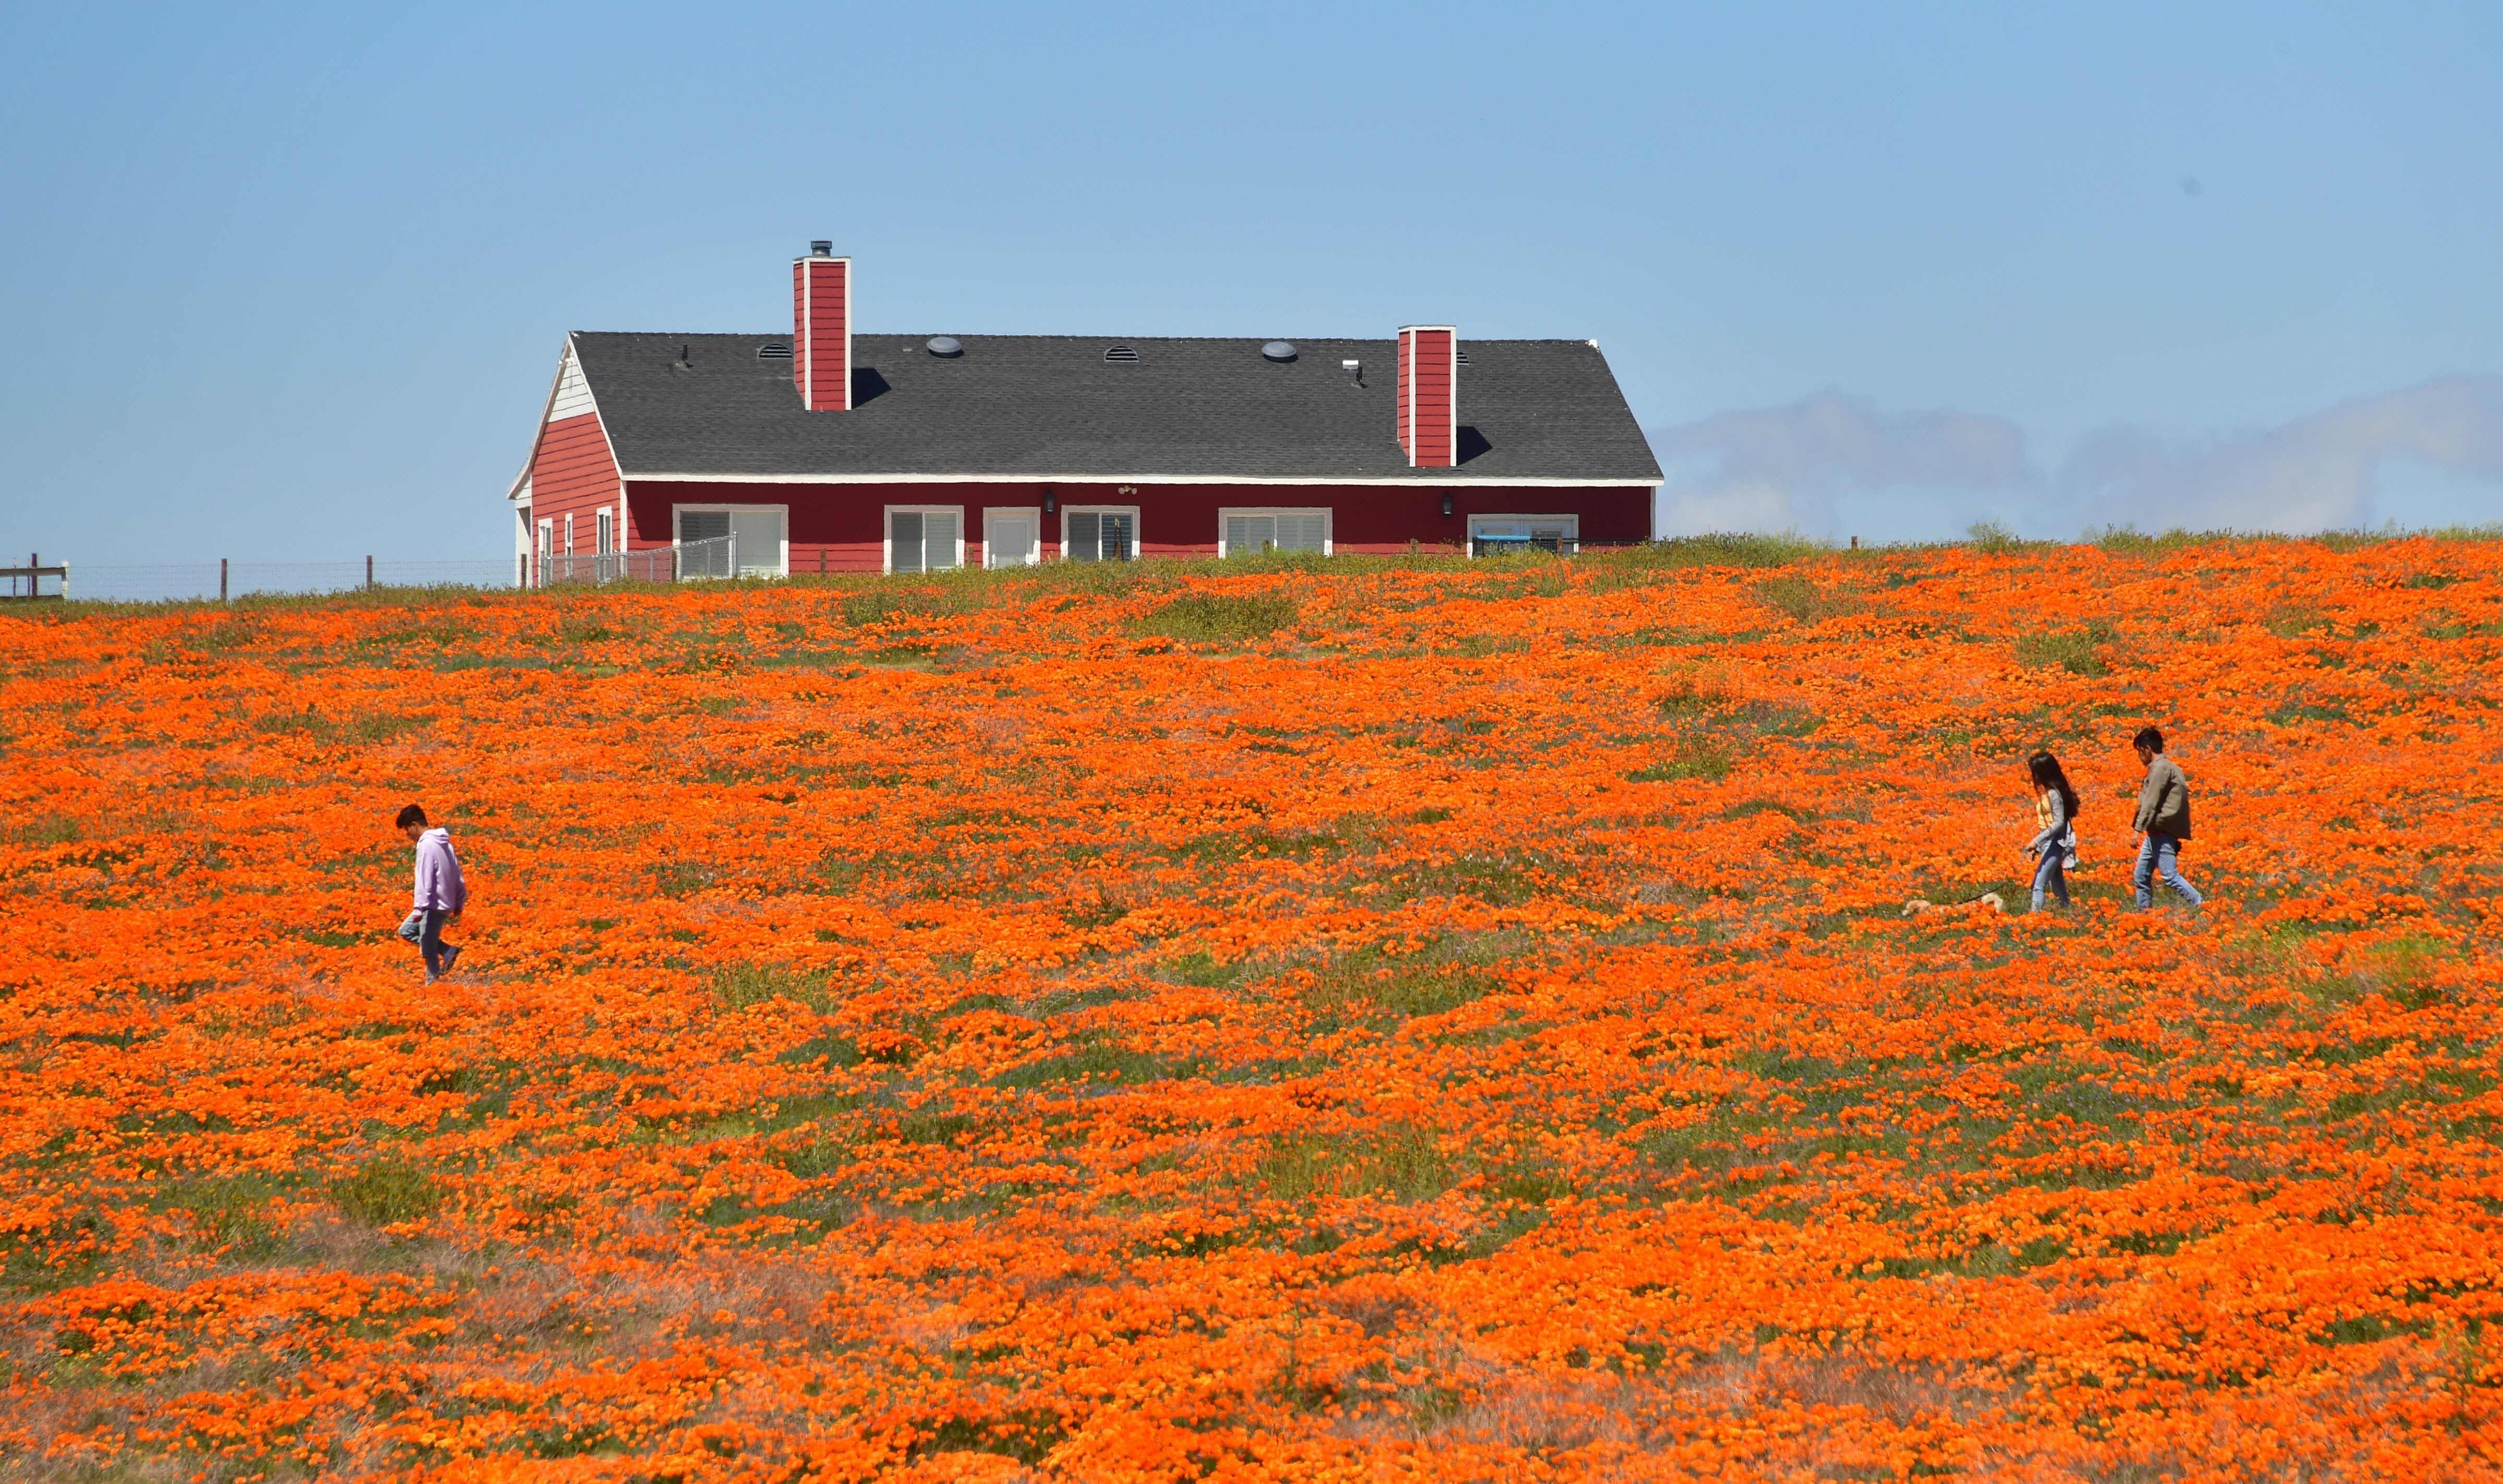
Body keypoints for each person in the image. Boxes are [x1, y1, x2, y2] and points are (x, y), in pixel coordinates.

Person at [2129, 727, 2202, 910]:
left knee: (2170, 875)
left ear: (2147, 749)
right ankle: (2144, 916)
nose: (2139, 757)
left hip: (2162, 832)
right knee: (2141, 876)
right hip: (2155, 832)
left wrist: (2137, 830)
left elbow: (2151, 802)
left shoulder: (2161, 768)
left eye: (2139, 752)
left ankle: (2201, 905)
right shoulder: (2165, 767)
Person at [398, 804, 467, 981]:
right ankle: (446, 950)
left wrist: (419, 908)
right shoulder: (445, 843)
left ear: (414, 825)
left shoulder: (426, 845)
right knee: (406, 931)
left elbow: (424, 878)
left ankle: (433, 985)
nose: (408, 835)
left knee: (428, 949)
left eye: (407, 830)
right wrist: (459, 902)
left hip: (432, 904)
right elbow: (457, 874)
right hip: (446, 902)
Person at [2023, 750, 2079, 912]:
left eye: (2036, 772)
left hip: (2057, 844)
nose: (2034, 776)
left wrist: (2036, 840)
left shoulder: (2054, 794)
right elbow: (2045, 823)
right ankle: (2067, 910)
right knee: (2057, 882)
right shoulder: (2047, 793)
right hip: (2049, 844)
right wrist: (2039, 847)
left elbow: (2059, 823)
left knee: (2038, 885)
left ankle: (2034, 919)